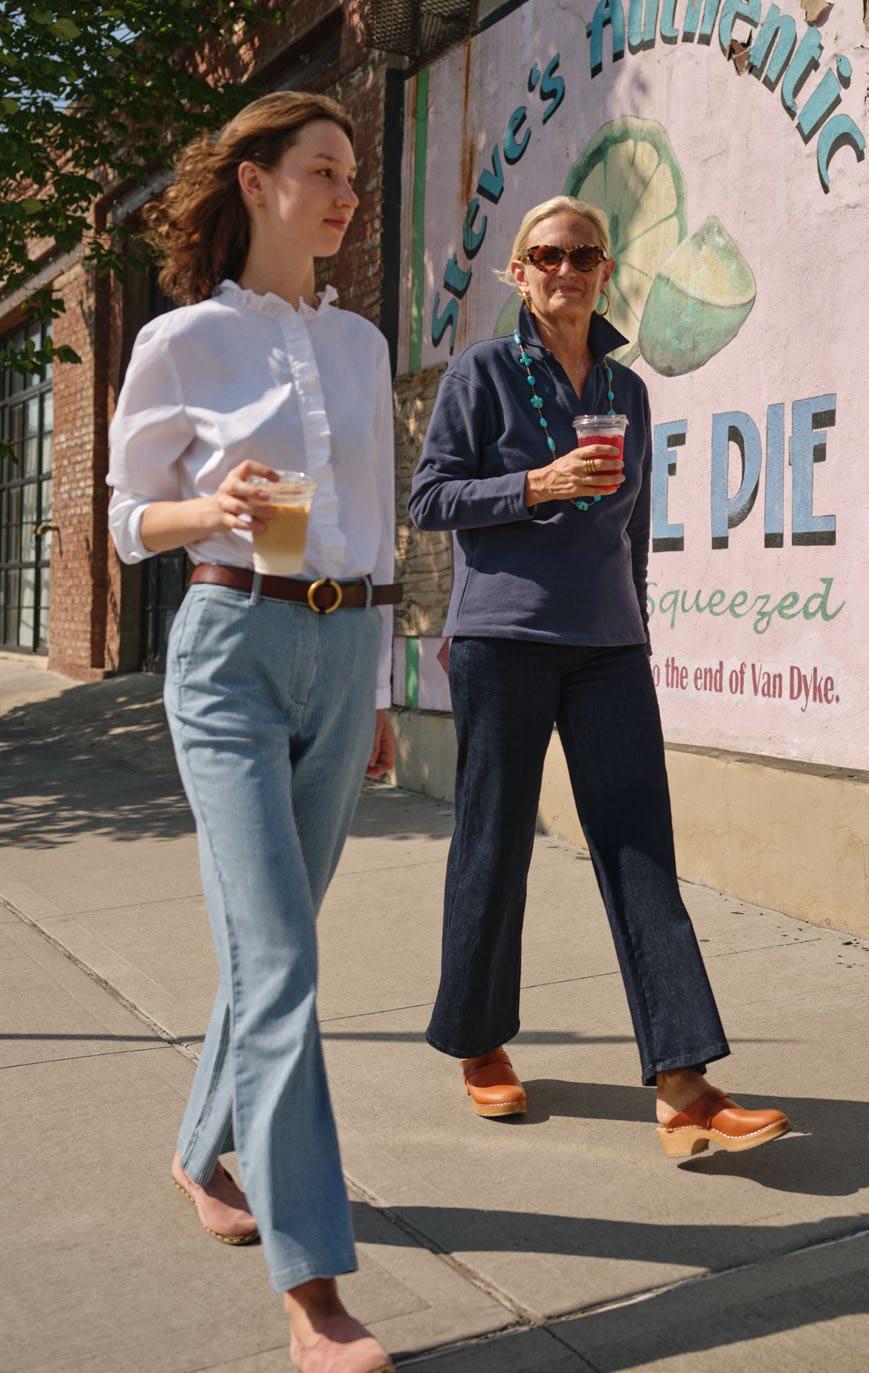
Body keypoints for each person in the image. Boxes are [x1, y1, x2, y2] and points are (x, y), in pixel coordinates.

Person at [107, 92, 399, 1373]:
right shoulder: (182, 340)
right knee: (279, 962)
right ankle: (314, 1286)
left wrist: (377, 687)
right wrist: (208, 506)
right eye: (322, 169)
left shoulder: (362, 346)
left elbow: (376, 529)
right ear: (255, 179)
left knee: (271, 947)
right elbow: (128, 518)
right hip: (230, 647)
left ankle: (196, 1150)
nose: (344, 194)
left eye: (351, 175)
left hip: (340, 652)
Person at [409, 195, 790, 1157]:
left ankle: (683, 1081)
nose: (566, 270)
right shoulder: (482, 371)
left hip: (608, 648)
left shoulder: (627, 389)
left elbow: (634, 530)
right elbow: (430, 497)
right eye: (547, 255)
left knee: (639, 848)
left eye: (584, 256)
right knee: (494, 842)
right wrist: (533, 485)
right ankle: (479, 1042)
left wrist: (638, 624)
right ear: (518, 271)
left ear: (604, 271)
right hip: (504, 638)